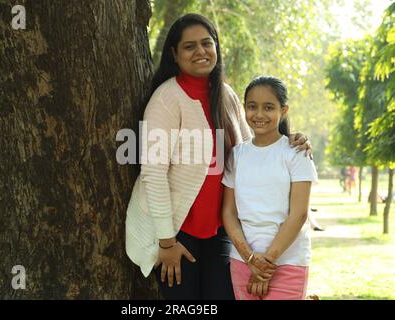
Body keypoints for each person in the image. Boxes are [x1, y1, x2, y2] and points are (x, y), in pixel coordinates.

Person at [125, 14, 311, 300]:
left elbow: (253, 152)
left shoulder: (227, 95)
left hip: (223, 235)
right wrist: (166, 242)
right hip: (178, 235)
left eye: (206, 43)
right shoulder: (166, 100)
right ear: (174, 54)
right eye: (189, 47)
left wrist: (290, 141)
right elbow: (153, 173)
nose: (200, 51)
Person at [222, 76, 318, 300]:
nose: (259, 114)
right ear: (244, 109)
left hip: (287, 262)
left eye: (268, 107)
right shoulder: (236, 155)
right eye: (252, 107)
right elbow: (228, 212)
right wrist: (250, 259)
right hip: (242, 261)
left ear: (283, 111)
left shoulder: (296, 152)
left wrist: (266, 263)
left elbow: (299, 214)